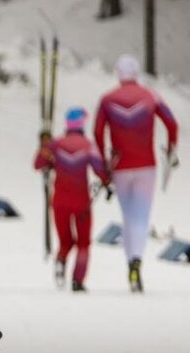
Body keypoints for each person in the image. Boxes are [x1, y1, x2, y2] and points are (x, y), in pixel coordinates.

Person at [92, 54, 179, 293]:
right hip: (146, 165)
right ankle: (136, 262)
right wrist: (171, 150)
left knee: (128, 215)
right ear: (137, 72)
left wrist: (103, 164)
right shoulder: (150, 95)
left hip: (120, 166)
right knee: (141, 216)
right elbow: (172, 123)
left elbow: (98, 132)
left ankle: (130, 262)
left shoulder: (107, 99)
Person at [35, 107, 110, 292]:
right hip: (81, 202)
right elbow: (101, 171)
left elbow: (38, 164)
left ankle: (60, 260)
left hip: (59, 200)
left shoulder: (56, 144)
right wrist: (108, 176)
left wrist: (44, 146)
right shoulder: (88, 146)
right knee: (83, 242)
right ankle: (78, 280)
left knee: (65, 241)